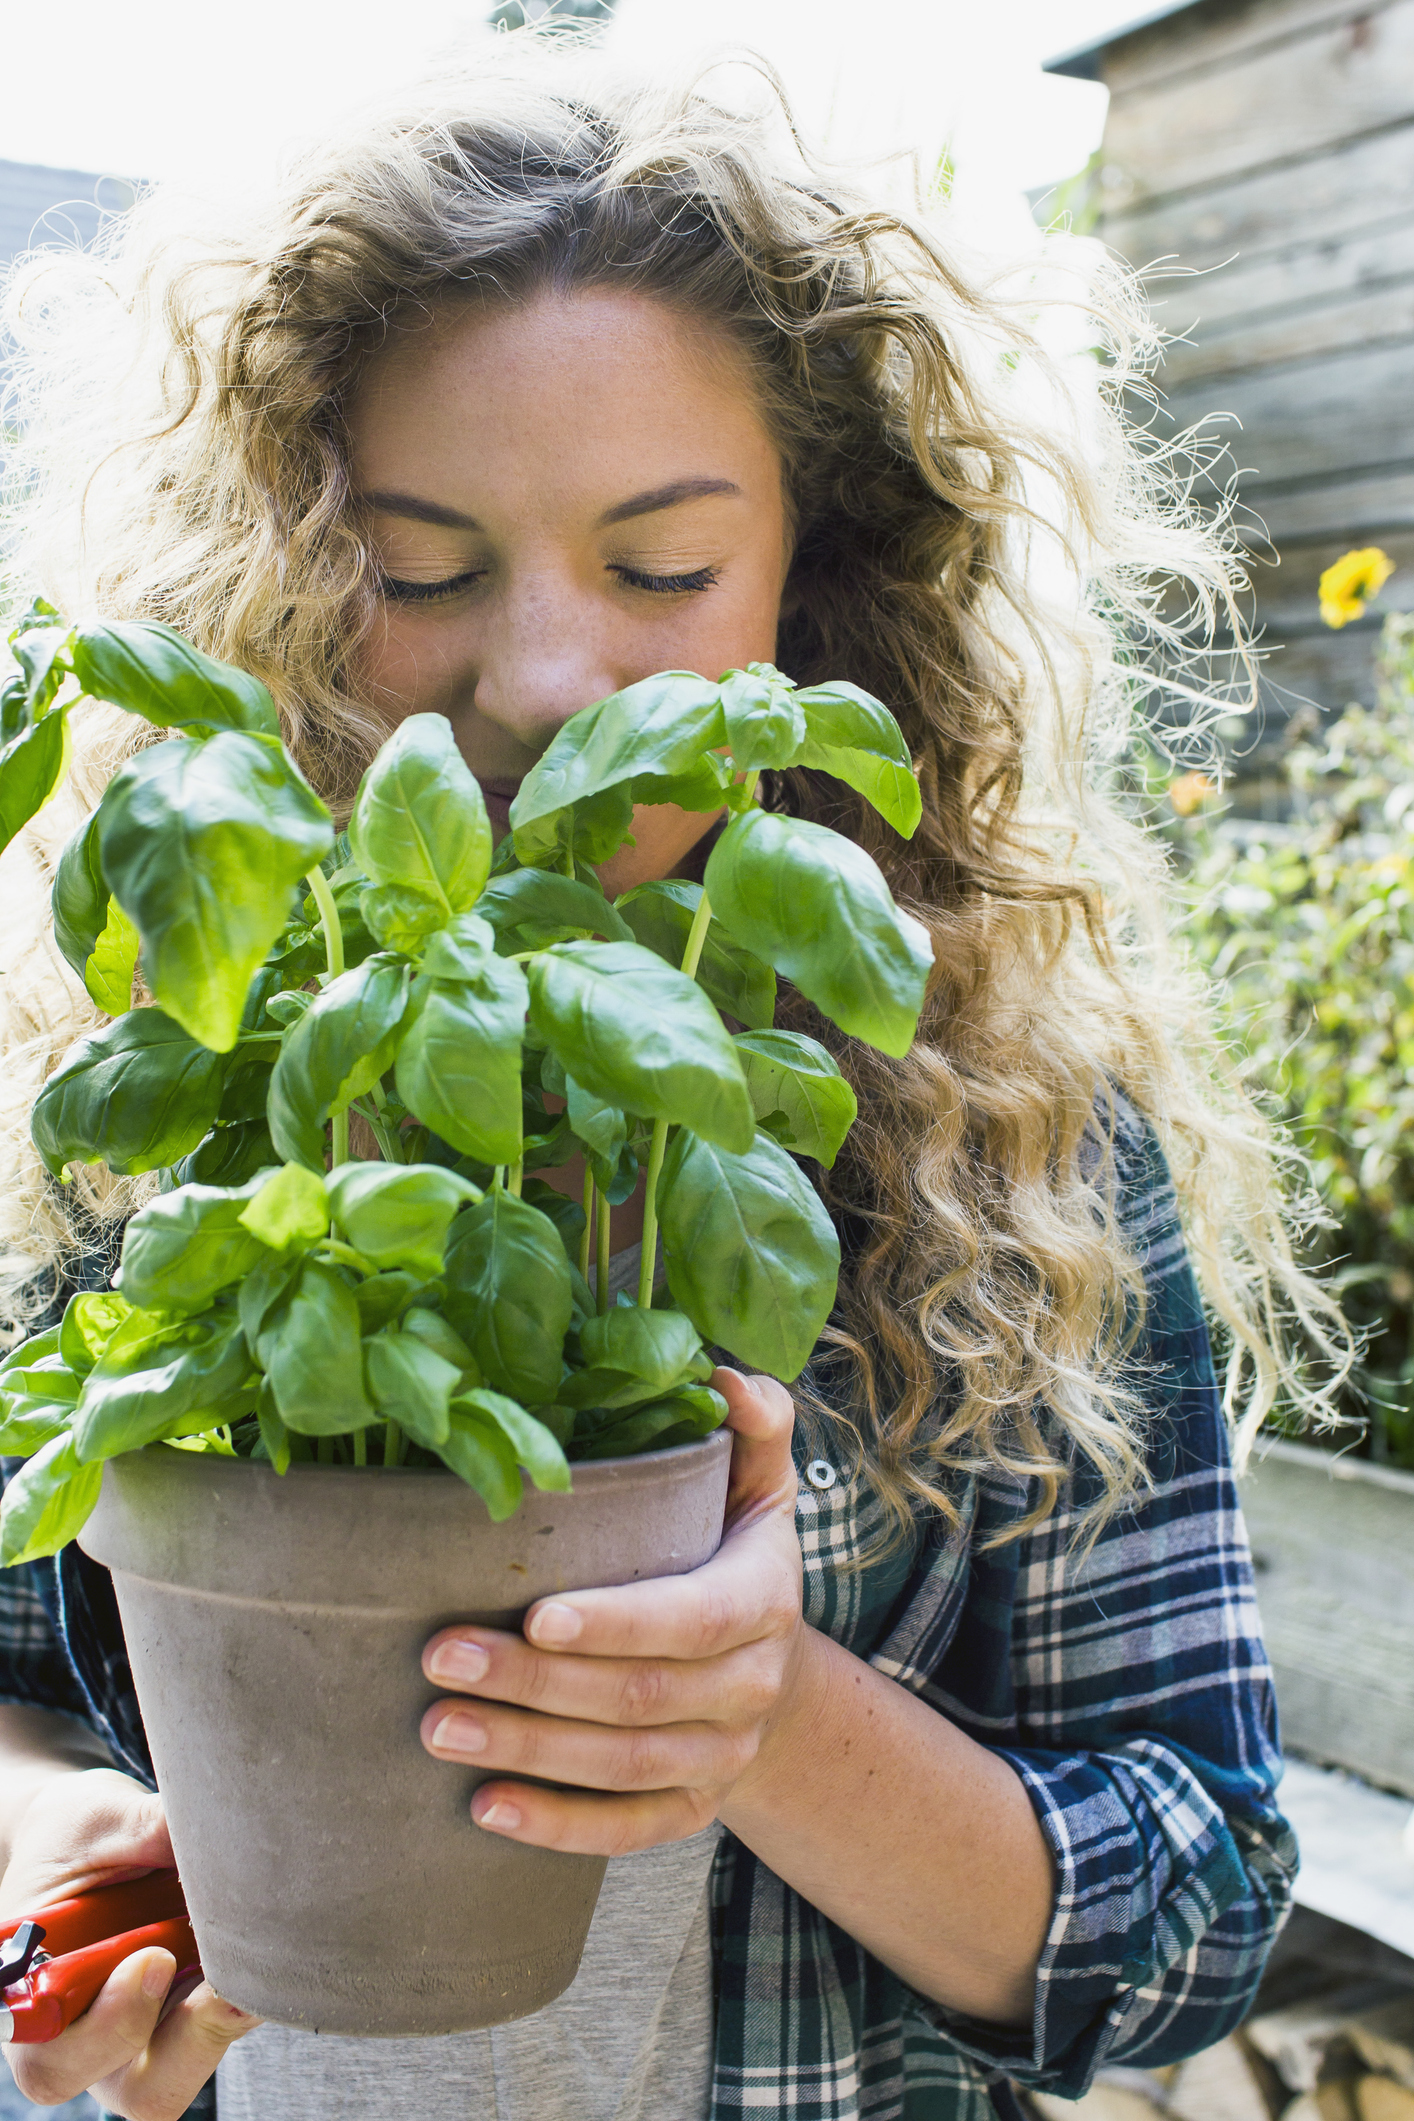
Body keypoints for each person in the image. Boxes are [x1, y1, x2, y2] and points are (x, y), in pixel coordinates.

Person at [0, 35, 1346, 2121]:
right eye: (420, 565)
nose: (540, 672)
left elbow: (1191, 1902)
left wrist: (755, 1709)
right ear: (280, 563)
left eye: (656, 566)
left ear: (812, 574)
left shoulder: (1008, 1118)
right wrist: (70, 1853)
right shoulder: (171, 1068)